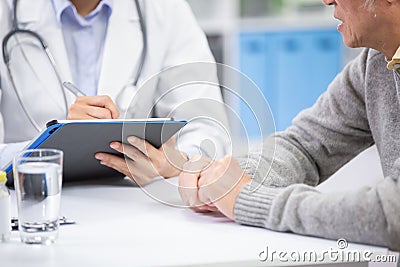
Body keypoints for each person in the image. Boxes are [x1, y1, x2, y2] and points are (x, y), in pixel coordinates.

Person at [178, 0, 400, 252]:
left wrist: (250, 200)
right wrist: (226, 179)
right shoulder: (376, 63)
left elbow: (391, 213)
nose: (326, 0)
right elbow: (305, 145)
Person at [0, 0, 229, 184]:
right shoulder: (6, 11)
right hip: (31, 205)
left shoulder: (165, 9)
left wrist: (175, 162)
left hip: (131, 209)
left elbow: (209, 128)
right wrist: (42, 151)